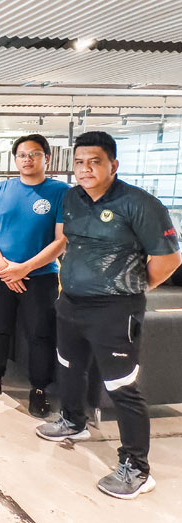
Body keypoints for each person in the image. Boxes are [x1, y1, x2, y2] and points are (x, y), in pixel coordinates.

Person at [36, 131, 181, 500]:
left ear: (113, 165)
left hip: (115, 310)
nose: (85, 169)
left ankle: (136, 467)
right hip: (71, 303)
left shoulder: (140, 203)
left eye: (94, 162)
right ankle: (73, 421)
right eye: (79, 162)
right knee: (69, 367)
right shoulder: (72, 198)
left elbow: (168, 260)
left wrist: (132, 288)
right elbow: (69, 243)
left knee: (122, 387)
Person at [0, 134, 68, 417]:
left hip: (40, 277)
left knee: (40, 334)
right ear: (15, 159)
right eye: (22, 155)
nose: (28, 159)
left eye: (34, 154)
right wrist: (6, 269)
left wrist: (24, 269)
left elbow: (61, 240)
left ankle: (39, 389)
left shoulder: (61, 192)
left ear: (46, 158)